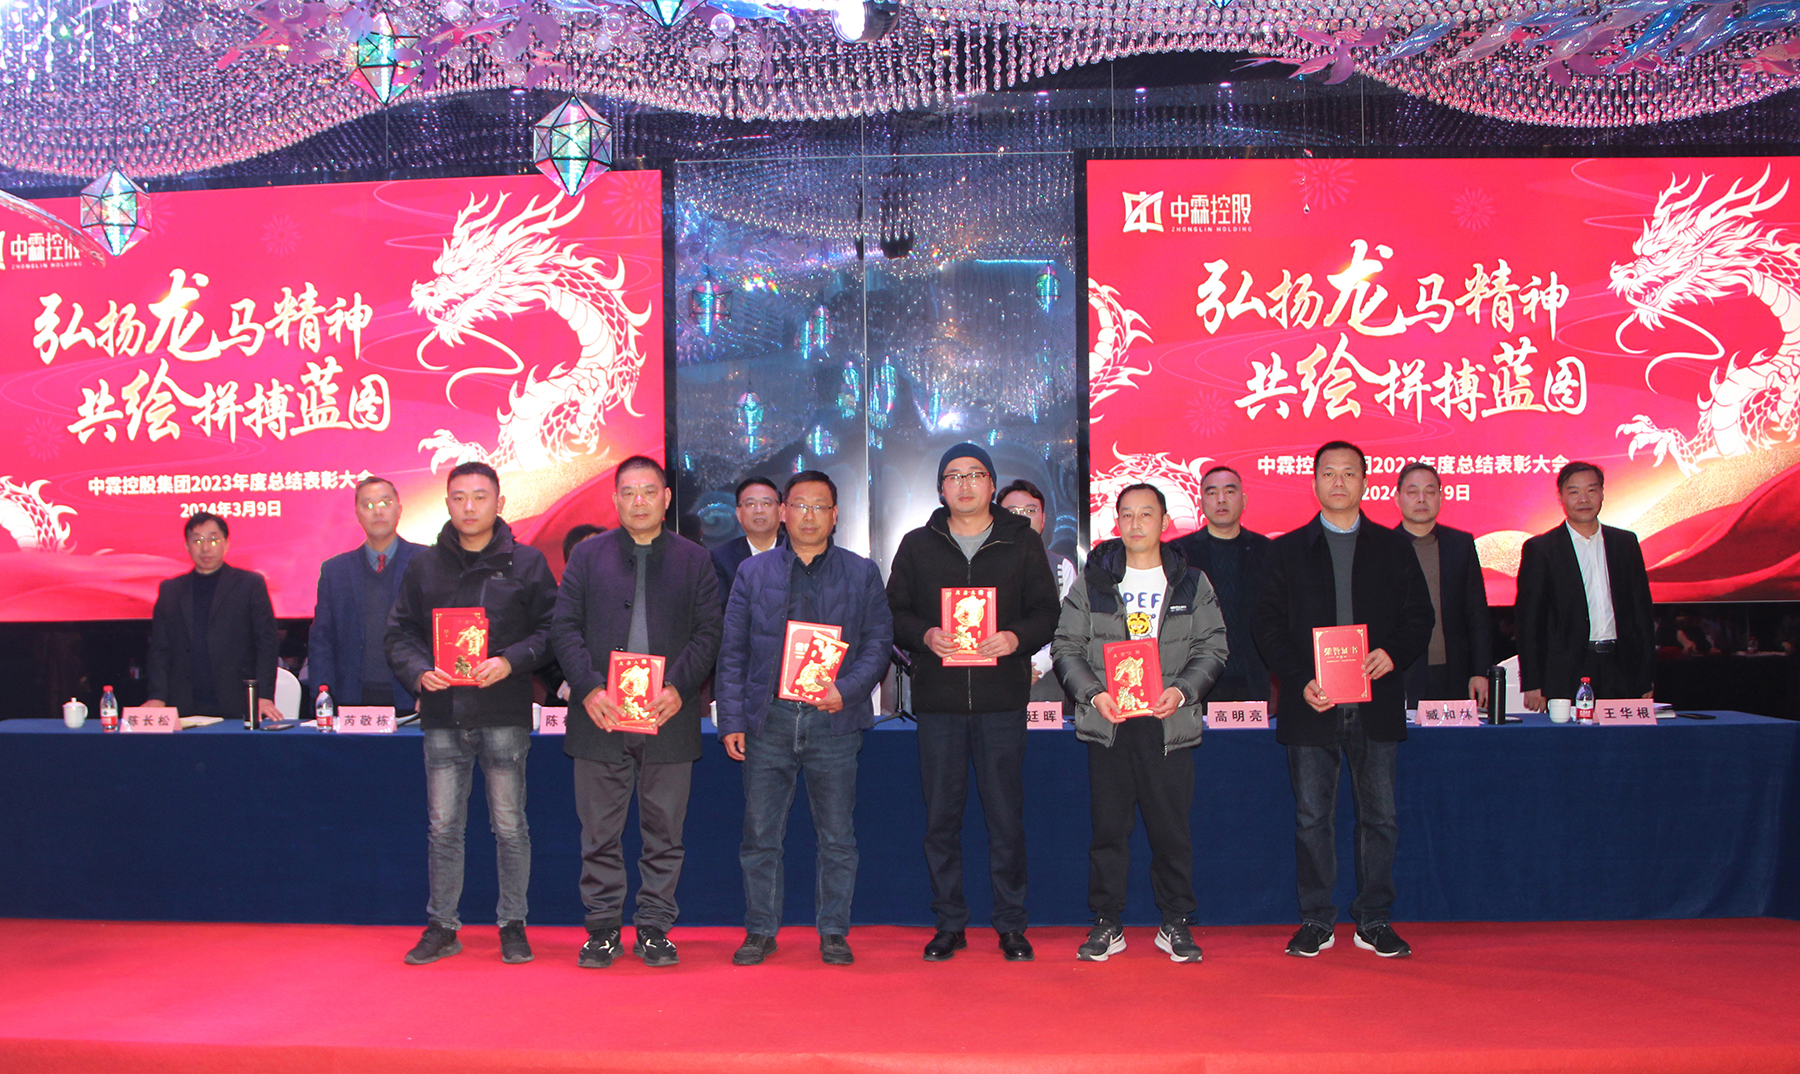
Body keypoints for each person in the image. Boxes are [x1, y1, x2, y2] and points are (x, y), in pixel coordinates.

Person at [1251, 441, 1434, 960]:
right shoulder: (1285, 551)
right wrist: (1298, 679)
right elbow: (1266, 625)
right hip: (1311, 704)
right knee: (1312, 818)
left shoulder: (1392, 548)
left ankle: (1374, 919)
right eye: (1328, 473)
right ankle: (1316, 919)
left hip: (1376, 702)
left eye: (1349, 473)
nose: (1338, 482)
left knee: (1381, 819)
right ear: (1313, 483)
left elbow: (1419, 616)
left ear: (1365, 483)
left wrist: (1392, 654)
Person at [886, 442, 1061, 962]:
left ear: (992, 485)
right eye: (954, 476)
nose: (965, 485)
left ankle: (1011, 923)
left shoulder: (1021, 541)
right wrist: (924, 635)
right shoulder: (918, 544)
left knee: (1005, 817)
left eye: (976, 475)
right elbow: (892, 613)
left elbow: (1047, 613)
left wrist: (1015, 638)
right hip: (938, 703)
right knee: (941, 818)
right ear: (941, 488)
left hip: (1001, 701)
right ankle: (949, 923)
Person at [550, 455, 723, 970]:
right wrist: (588, 689)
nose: (639, 501)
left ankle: (654, 927)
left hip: (668, 715)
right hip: (600, 716)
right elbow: (564, 628)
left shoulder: (695, 559)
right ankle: (602, 927)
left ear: (666, 498)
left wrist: (679, 687)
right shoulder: (588, 555)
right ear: (615, 500)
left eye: (649, 491)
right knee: (599, 832)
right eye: (628, 492)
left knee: (664, 832)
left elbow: (709, 632)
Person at [716, 470, 893, 967]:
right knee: (759, 836)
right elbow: (733, 652)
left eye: (820, 507)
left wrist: (847, 690)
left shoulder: (861, 572)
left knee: (837, 836)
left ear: (835, 515)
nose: (809, 516)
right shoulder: (753, 573)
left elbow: (878, 644)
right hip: (768, 720)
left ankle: (833, 930)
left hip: (833, 721)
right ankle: (760, 929)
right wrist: (732, 720)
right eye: (799, 505)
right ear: (783, 512)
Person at [384, 462, 558, 967]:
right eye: (459, 497)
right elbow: (399, 633)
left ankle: (513, 923)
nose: (469, 507)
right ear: (446, 504)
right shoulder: (424, 565)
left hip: (503, 711)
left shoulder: (527, 562)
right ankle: (443, 925)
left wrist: (510, 661)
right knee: (443, 828)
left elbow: (553, 629)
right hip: (443, 714)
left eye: (480, 497)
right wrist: (419, 671)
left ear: (499, 503)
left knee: (509, 826)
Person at [1052, 483, 1227, 963]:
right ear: (1117, 522)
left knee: (1171, 831)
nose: (1135, 524)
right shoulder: (1092, 582)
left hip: (1168, 724)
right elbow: (1066, 646)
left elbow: (1213, 646)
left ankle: (1176, 921)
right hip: (1110, 723)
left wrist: (1183, 690)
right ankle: (1107, 921)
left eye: (1146, 514)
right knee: (1108, 830)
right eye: (1127, 514)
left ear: (1165, 521)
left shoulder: (1192, 582)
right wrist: (1095, 693)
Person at [1516, 461, 1657, 710]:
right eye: (1574, 492)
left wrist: (1646, 674)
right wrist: (1533, 681)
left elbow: (1641, 613)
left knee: (1624, 734)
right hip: (1566, 670)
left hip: (1622, 666)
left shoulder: (1625, 543)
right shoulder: (1542, 549)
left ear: (1602, 493)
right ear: (1560, 497)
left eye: (1591, 490)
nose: (1584, 499)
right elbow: (1529, 621)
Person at [145, 512, 281, 722]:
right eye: (197, 541)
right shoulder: (170, 590)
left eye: (213, 540)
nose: (206, 548)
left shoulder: (249, 585)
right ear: (187, 546)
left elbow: (266, 644)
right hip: (183, 704)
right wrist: (157, 696)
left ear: (226, 544)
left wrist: (263, 696)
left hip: (236, 702)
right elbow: (159, 650)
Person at [307, 476, 422, 712]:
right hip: (351, 698)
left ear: (399, 509)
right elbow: (322, 638)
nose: (377, 511)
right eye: (368, 505)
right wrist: (323, 693)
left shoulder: (426, 562)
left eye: (385, 503)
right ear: (357, 514)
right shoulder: (335, 570)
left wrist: (434, 692)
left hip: (413, 697)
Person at [1392, 463, 1494, 709]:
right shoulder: (1383, 548)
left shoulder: (1460, 544)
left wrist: (1480, 671)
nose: (1421, 499)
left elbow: (1477, 613)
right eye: (1413, 492)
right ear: (1397, 498)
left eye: (1430, 491)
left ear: (1440, 497)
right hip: (1400, 671)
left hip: (1453, 672)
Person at [1171, 466, 1272, 704]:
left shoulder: (1268, 551)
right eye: (1212, 492)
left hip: (1253, 677)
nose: (1221, 499)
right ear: (1201, 502)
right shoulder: (1178, 553)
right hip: (1196, 678)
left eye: (1229, 491)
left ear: (1244, 500)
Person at [998, 478, 1077, 705]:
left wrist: (1037, 665)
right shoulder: (979, 566)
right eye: (1013, 511)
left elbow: (1069, 629)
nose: (1022, 518)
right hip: (994, 678)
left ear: (1043, 520)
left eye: (1030, 510)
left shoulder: (1061, 567)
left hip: (1046, 678)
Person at [712, 476, 785, 602]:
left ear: (780, 511)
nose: (759, 510)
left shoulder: (798, 552)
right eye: (750, 504)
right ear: (739, 514)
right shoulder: (720, 558)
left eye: (766, 503)